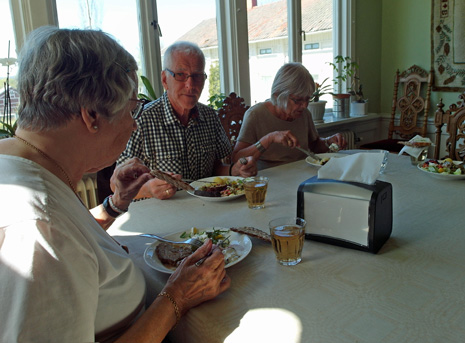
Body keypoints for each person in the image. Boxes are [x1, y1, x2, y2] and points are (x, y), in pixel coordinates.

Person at [0, 27, 230, 343]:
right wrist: (177, 297)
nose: (134, 122)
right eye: (132, 109)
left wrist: (115, 204)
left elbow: (74, 239)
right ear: (92, 115)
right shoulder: (38, 230)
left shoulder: (20, 164)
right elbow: (55, 236)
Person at [116, 41, 257, 200]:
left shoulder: (210, 117)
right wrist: (147, 190)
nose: (190, 85)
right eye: (181, 75)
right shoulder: (140, 121)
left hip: (207, 210)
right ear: (164, 80)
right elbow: (116, 185)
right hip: (159, 216)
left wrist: (235, 171)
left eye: (197, 76)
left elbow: (215, 168)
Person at [232, 62, 347, 170]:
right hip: (270, 178)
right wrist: (268, 139)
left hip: (302, 173)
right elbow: (237, 158)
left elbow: (314, 147)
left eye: (308, 99)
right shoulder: (255, 115)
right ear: (278, 95)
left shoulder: (304, 114)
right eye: (297, 100)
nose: (304, 105)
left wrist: (328, 141)